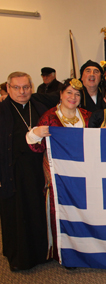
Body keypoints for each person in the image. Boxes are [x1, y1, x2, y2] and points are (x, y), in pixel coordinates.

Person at [26, 78, 91, 262]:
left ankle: (85, 249)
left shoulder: (87, 116)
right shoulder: (49, 118)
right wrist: (35, 134)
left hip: (83, 174)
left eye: (77, 94)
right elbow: (37, 148)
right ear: (61, 94)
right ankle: (64, 253)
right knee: (62, 213)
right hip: (59, 178)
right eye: (69, 92)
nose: (73, 97)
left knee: (83, 212)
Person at [0, 72, 48, 271]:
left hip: (38, 170)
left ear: (32, 87)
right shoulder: (1, 111)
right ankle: (19, 258)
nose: (22, 92)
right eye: (17, 88)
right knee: (17, 214)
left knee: (38, 211)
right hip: (12, 171)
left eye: (26, 87)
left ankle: (41, 253)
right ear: (8, 89)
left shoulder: (40, 107)